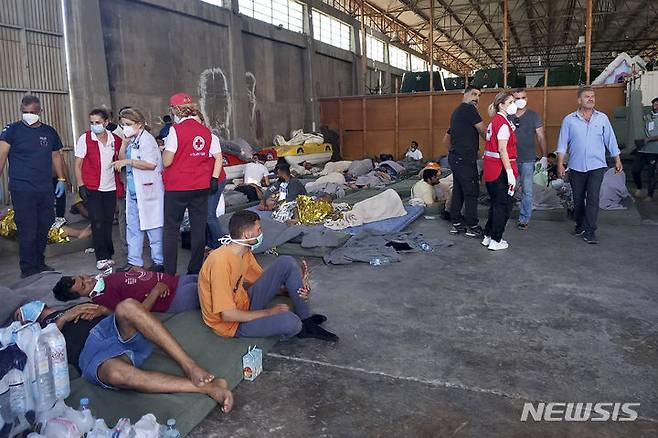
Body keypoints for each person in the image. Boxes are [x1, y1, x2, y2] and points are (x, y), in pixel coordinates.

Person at [13, 300, 233, 412]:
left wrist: (104, 311)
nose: (23, 311)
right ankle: (207, 387)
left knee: (127, 306)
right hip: (91, 353)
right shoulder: (34, 332)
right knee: (116, 374)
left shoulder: (72, 304)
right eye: (18, 314)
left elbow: (115, 314)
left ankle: (190, 365)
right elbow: (41, 352)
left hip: (109, 329)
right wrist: (62, 320)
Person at [198, 210, 338, 341]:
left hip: (244, 303)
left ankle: (307, 321)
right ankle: (300, 328)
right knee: (291, 322)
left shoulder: (243, 252)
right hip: (231, 324)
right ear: (247, 235)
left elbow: (263, 281)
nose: (261, 233)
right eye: (258, 230)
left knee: (286, 262)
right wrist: (269, 313)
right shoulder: (220, 262)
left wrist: (296, 287)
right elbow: (227, 315)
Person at [0, 95, 67, 278]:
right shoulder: (11, 131)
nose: (29, 115)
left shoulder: (49, 132)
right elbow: (2, 155)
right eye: (25, 112)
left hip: (44, 187)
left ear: (40, 112)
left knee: (44, 225)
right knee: (27, 228)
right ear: (21, 111)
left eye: (33, 112)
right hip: (22, 188)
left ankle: (40, 261)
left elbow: (56, 156)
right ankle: (28, 268)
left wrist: (61, 179)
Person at [162, 93, 223, 275]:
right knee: (199, 228)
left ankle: (169, 272)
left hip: (178, 187)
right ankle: (195, 269)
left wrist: (164, 151)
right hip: (200, 186)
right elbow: (217, 158)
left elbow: (167, 161)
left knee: (171, 230)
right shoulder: (207, 132)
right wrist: (213, 178)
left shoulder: (176, 130)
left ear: (175, 110)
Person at [557, 86, 622, 244]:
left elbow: (610, 140)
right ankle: (580, 224)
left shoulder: (602, 119)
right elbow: (562, 144)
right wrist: (560, 164)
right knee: (578, 199)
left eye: (593, 96)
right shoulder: (569, 120)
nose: (591, 99)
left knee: (593, 198)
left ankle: (590, 230)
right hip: (576, 166)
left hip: (596, 166)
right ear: (579, 100)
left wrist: (617, 159)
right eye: (587, 96)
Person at [110, 108, 165, 272]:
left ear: (139, 124)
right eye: (123, 124)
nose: (124, 127)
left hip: (148, 191)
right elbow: (121, 160)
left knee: (153, 227)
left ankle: (159, 261)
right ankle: (134, 262)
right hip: (134, 192)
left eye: (128, 124)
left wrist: (129, 162)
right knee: (132, 227)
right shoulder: (131, 139)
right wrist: (124, 145)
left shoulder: (147, 140)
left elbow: (151, 164)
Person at [74, 109, 124, 271]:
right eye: (92, 122)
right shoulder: (85, 139)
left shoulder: (115, 139)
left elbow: (120, 160)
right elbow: (78, 164)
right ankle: (101, 257)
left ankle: (108, 252)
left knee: (108, 221)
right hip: (92, 187)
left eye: (98, 122)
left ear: (106, 122)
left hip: (110, 187)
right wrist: (81, 185)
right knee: (97, 221)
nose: (94, 125)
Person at [53, 270, 200, 313]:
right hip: (172, 297)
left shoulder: (103, 279)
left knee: (214, 276)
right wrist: (155, 291)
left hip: (175, 280)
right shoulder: (102, 299)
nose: (88, 281)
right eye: (84, 286)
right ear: (81, 296)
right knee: (217, 288)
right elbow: (136, 314)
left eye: (82, 277)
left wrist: (138, 273)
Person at [481, 92, 519, 251]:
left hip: (491, 168)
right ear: (501, 105)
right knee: (503, 206)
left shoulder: (494, 122)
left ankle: (488, 236)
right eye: (510, 102)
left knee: (495, 204)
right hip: (501, 169)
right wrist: (510, 172)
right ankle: (496, 239)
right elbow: (502, 149)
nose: (513, 104)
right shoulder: (502, 124)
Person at [448, 86, 487, 238]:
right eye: (473, 94)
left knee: (459, 190)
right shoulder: (468, 110)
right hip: (463, 159)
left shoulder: (457, 112)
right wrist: (495, 145)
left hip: (457, 157)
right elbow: (483, 130)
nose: (476, 97)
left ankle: (457, 223)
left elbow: (448, 138)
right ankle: (472, 226)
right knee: (471, 191)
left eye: (478, 95)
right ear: (464, 94)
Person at [509, 88, 548, 230]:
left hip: (527, 159)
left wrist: (544, 156)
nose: (520, 100)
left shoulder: (533, 116)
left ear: (527, 98)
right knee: (508, 189)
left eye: (523, 97)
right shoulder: (507, 115)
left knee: (527, 190)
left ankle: (524, 219)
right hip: (510, 159)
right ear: (512, 99)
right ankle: (504, 215)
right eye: (517, 98)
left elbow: (541, 136)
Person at [632, 96, 658, 201]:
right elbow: (639, 122)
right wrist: (639, 108)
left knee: (651, 173)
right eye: (655, 104)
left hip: (654, 150)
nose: (656, 106)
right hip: (642, 149)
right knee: (635, 170)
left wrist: (650, 139)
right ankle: (639, 188)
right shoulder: (648, 117)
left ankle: (650, 195)